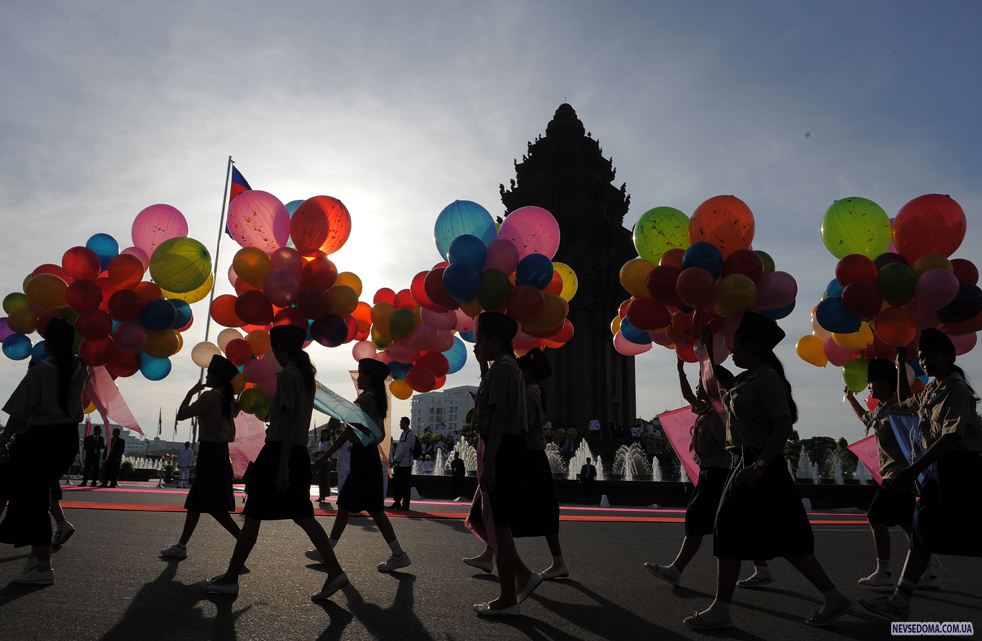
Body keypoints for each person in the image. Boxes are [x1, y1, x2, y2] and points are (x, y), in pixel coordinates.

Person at [684, 312, 850, 629]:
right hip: (745, 463)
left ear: (754, 348)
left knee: (743, 531)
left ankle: (721, 609)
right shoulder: (747, 380)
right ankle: (832, 597)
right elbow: (714, 387)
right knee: (770, 536)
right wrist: (704, 350)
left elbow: (783, 425)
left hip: (760, 465)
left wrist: (759, 465)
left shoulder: (768, 382)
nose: (732, 352)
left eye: (738, 347)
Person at [203, 324, 347, 601]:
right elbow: (289, 418)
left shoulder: (289, 376)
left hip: (281, 453)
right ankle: (334, 571)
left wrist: (282, 468)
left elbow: (289, 422)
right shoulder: (305, 377)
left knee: (255, 514)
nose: (272, 355)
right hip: (296, 452)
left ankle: (232, 578)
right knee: (302, 516)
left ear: (281, 349)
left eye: (273, 349)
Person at [860, 330, 982, 621]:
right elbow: (905, 403)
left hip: (961, 468)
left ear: (950, 357)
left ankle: (900, 600)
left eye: (932, 356)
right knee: (922, 531)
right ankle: (900, 600)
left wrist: (914, 469)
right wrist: (903, 362)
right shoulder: (931, 389)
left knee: (964, 533)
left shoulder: (956, 390)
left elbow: (951, 437)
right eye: (923, 357)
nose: (926, 362)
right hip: (938, 469)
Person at [464, 347, 568, 582]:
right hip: (530, 456)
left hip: (528, 457)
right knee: (509, 510)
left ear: (529, 372)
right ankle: (491, 555)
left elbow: (518, 425)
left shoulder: (529, 393)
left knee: (505, 510)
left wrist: (490, 420)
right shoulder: (530, 390)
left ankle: (531, 568)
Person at [0, 318, 89, 585]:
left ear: (47, 344)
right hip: (66, 441)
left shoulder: (40, 372)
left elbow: (18, 413)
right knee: (36, 498)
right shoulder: (80, 368)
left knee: (31, 501)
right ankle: (37, 563)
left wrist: (3, 438)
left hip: (40, 441)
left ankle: (42, 567)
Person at [465, 312, 538, 616]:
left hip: (503, 450)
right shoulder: (507, 368)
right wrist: (483, 366)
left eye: (481, 340)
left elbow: (499, 420)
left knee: (501, 526)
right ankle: (522, 577)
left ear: (494, 340)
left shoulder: (503, 370)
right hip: (507, 448)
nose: (478, 345)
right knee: (495, 521)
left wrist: (491, 463)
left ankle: (508, 598)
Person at [844, 358, 936, 588]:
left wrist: (902, 360)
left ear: (885, 382)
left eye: (872, 383)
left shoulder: (900, 406)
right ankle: (927, 571)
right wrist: (851, 400)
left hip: (898, 473)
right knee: (909, 523)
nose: (869, 387)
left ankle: (884, 571)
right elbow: (868, 419)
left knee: (875, 517)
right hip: (894, 473)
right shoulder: (883, 409)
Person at [645, 358, 736, 587]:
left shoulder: (719, 416)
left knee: (697, 519)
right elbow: (688, 395)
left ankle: (676, 569)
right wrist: (680, 370)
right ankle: (762, 567)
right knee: (729, 523)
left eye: (703, 386)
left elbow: (732, 449)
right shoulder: (708, 410)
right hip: (712, 474)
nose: (698, 390)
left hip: (717, 475)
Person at [316, 358, 410, 573]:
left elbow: (349, 431)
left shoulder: (365, 399)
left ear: (370, 377)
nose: (359, 378)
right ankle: (398, 554)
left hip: (363, 458)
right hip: (368, 458)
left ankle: (328, 552)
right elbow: (379, 435)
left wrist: (327, 454)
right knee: (370, 509)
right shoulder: (376, 399)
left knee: (348, 506)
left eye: (362, 374)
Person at [160, 356, 242, 561]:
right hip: (220, 453)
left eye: (209, 373)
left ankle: (243, 541)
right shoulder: (227, 399)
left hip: (210, 454)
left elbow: (181, 415)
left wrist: (190, 392)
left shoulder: (210, 396)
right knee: (195, 503)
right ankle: (181, 545)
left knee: (215, 507)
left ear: (217, 376)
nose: (206, 377)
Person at [389, 417, 415, 511]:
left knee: (405, 485)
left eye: (401, 423)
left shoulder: (410, 434)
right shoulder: (403, 433)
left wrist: (397, 459)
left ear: (405, 423)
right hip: (399, 464)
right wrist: (395, 460)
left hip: (406, 464)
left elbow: (406, 448)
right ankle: (397, 502)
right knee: (397, 485)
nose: (400, 424)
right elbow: (400, 448)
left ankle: (405, 504)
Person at [314, 428, 333, 503]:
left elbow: (328, 452)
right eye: (323, 433)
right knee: (320, 479)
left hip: (326, 462)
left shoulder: (329, 442)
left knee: (325, 479)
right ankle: (321, 496)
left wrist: (319, 452)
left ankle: (324, 495)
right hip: (320, 461)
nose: (324, 435)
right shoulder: (320, 442)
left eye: (326, 433)